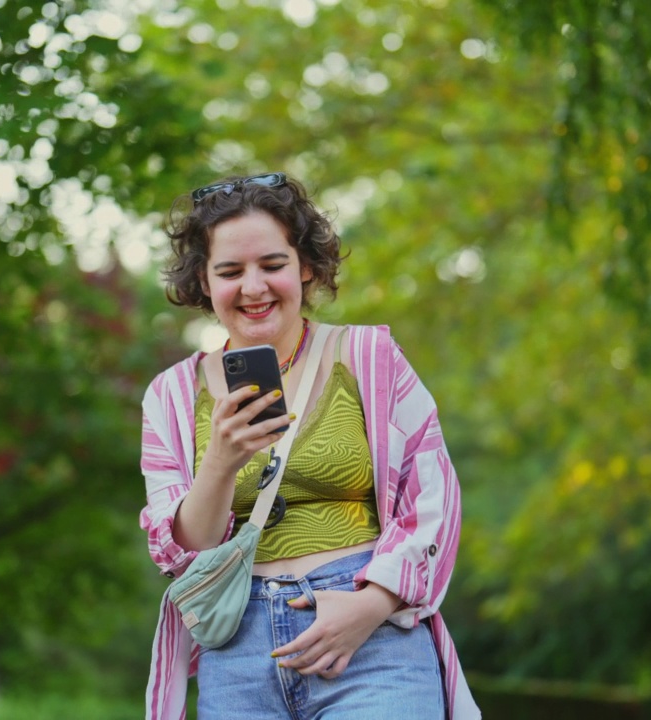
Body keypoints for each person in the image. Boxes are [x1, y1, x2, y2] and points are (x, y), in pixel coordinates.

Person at [139, 172, 479, 719]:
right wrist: (221, 464)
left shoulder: (371, 357)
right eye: (230, 271)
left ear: (304, 266)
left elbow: (433, 501)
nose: (253, 288)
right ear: (203, 280)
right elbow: (185, 551)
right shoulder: (171, 397)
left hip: (371, 638)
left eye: (272, 265)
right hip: (237, 646)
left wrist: (372, 604)